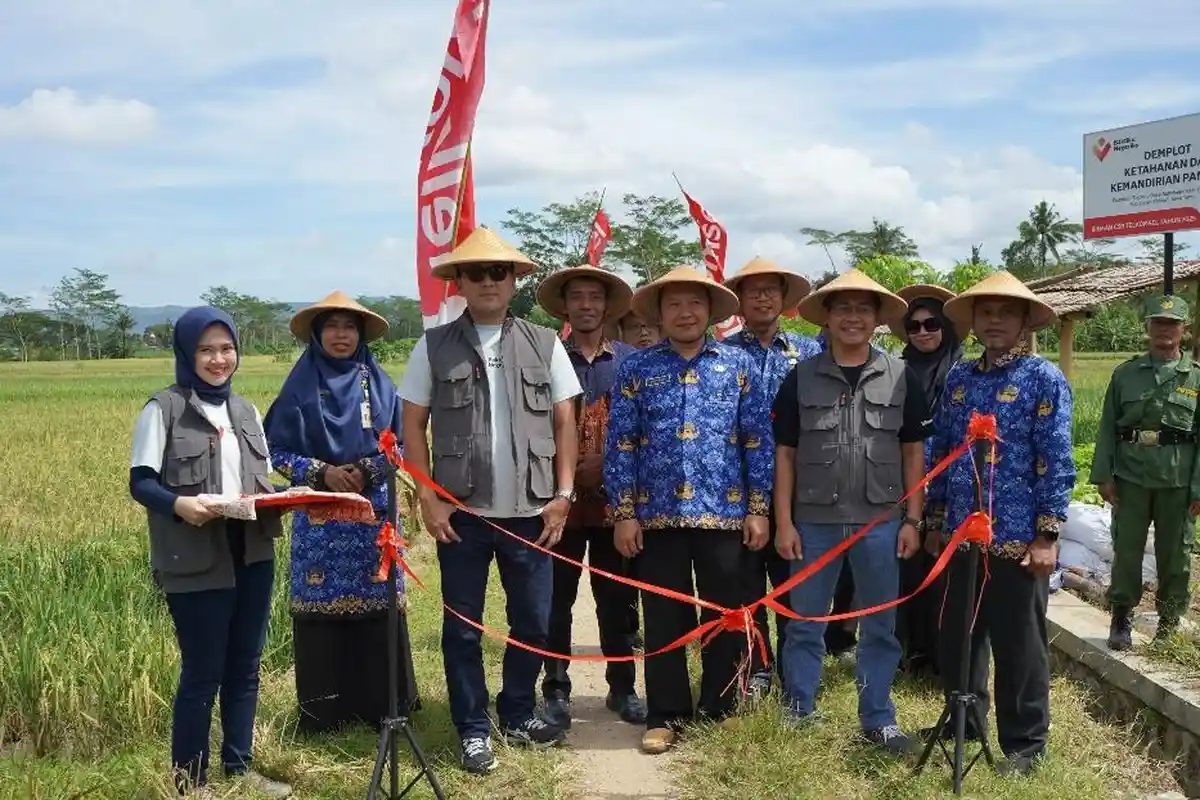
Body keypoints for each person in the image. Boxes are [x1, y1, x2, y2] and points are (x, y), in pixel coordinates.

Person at [399, 226, 583, 775]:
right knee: (463, 627)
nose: (487, 281)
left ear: (513, 280)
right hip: (464, 517)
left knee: (533, 621)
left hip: (532, 513)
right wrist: (428, 497)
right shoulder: (433, 345)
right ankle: (473, 728)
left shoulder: (544, 342)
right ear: (458, 281)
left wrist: (563, 495)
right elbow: (413, 423)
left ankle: (518, 711)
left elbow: (565, 420)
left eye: (497, 272)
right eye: (475, 272)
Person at [604, 265, 773, 756]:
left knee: (726, 615)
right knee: (663, 619)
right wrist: (624, 513)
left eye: (694, 303)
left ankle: (722, 710)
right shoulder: (636, 369)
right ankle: (666, 714)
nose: (685, 312)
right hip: (656, 519)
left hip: (726, 514)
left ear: (710, 311)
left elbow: (756, 441)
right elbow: (623, 445)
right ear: (659, 313)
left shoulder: (738, 366)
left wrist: (759, 508)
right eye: (674, 304)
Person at [128, 307, 292, 798]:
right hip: (196, 558)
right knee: (203, 672)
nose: (219, 359)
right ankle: (190, 783)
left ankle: (240, 770)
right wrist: (180, 504)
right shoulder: (163, 409)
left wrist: (294, 497)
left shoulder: (247, 412)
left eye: (226, 348)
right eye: (206, 349)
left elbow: (259, 484)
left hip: (253, 553)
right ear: (186, 353)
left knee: (245, 666)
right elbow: (141, 484)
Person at [772, 269, 927, 755]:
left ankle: (877, 718)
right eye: (843, 308)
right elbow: (785, 456)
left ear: (878, 319)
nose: (853, 318)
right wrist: (783, 523)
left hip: (882, 523)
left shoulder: (903, 377)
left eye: (863, 309)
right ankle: (799, 711)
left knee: (880, 625)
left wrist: (913, 520)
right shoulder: (799, 377)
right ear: (829, 317)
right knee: (806, 622)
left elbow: (913, 455)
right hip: (812, 524)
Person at [927, 271, 1074, 777]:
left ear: (1023, 323)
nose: (994, 322)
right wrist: (935, 517)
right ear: (973, 322)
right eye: (986, 313)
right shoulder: (962, 379)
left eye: (1005, 313)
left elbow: (1056, 459)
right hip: (964, 538)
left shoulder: (1042, 378)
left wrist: (1047, 535)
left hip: (1017, 538)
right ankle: (964, 724)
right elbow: (943, 451)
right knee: (959, 636)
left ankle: (1025, 745)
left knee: (1019, 643)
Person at [263, 291, 420, 735]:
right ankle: (324, 712)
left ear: (360, 335)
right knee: (320, 610)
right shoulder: (298, 386)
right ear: (317, 334)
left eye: (349, 327)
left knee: (380, 605)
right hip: (319, 520)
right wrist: (321, 472)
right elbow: (273, 450)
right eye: (331, 326)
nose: (341, 335)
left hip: (373, 516)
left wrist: (371, 467)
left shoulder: (381, 384)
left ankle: (384, 704)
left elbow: (407, 443)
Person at [534, 263, 647, 729]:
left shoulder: (628, 361)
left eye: (594, 298)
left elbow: (644, 429)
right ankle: (556, 690)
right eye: (576, 297)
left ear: (606, 306)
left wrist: (605, 464)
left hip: (614, 502)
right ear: (565, 306)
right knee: (555, 600)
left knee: (616, 600)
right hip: (556, 502)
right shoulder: (544, 357)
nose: (585, 305)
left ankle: (622, 688)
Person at [722, 256, 819, 696]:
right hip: (734, 492)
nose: (762, 297)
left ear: (784, 299)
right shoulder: (721, 355)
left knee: (795, 587)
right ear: (739, 300)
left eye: (771, 290)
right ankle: (755, 669)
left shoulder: (811, 352)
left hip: (798, 494)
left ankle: (795, 675)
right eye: (753, 290)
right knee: (744, 588)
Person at [1091, 294, 1200, 650]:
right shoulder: (1125, 374)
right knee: (1127, 549)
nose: (1164, 330)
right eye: (1157, 322)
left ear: (1184, 330)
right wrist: (1104, 474)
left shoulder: (1195, 378)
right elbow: (1108, 426)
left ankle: (1168, 624)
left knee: (1176, 555)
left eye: (1171, 324)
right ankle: (1121, 617)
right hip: (1131, 477)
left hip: (1177, 481)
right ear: (1148, 327)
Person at [891, 284, 964, 678]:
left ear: (947, 327)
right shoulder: (895, 372)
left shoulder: (964, 373)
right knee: (910, 573)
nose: (922, 333)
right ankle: (913, 651)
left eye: (931, 324)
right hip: (906, 488)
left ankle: (944, 659)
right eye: (913, 326)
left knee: (947, 578)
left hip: (953, 489)